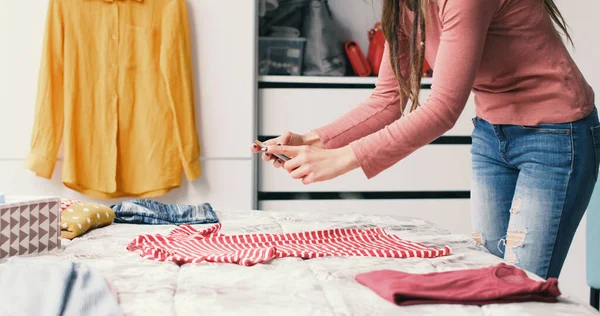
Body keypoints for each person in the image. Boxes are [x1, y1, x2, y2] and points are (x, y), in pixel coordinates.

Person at [251, 0, 597, 280]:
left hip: (555, 137)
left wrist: (341, 159)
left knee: (519, 288)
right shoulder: (403, 5)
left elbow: (443, 108)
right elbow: (386, 100)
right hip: (492, 136)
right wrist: (313, 140)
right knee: (489, 280)